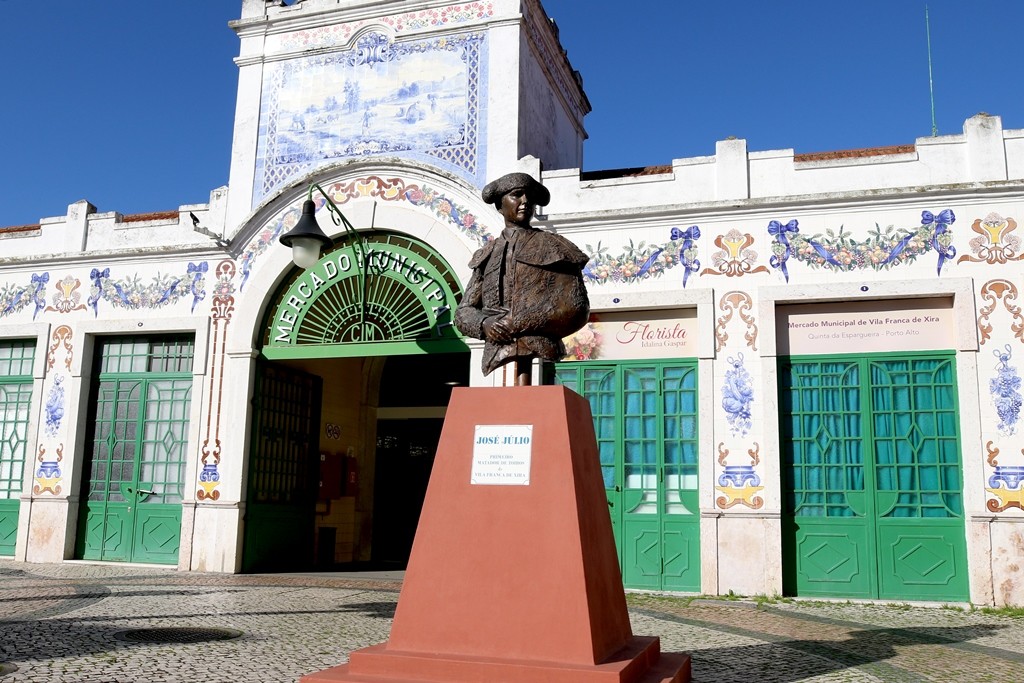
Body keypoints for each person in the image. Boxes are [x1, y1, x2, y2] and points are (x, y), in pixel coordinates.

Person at [455, 172, 590, 384]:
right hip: (497, 347)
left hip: (539, 342)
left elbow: (575, 307)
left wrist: (516, 322)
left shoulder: (557, 247)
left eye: (529, 197)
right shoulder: (487, 254)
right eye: (516, 195)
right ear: (500, 205)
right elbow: (463, 311)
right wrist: (485, 323)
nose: (525, 201)